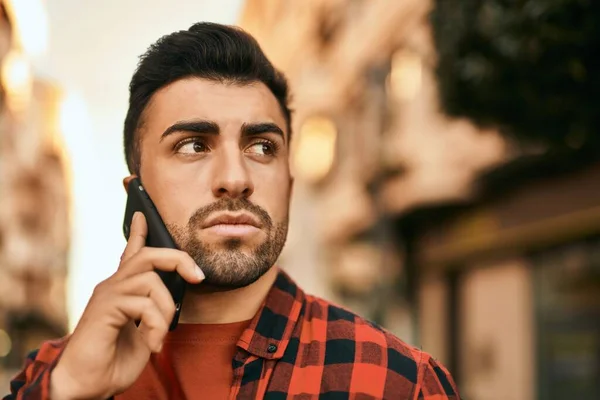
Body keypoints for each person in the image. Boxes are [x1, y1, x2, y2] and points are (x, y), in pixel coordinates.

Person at [4, 22, 460, 400]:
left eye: (262, 147)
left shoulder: (396, 382)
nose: (235, 178)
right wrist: (68, 389)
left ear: (289, 183)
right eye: (193, 145)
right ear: (136, 190)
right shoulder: (54, 376)